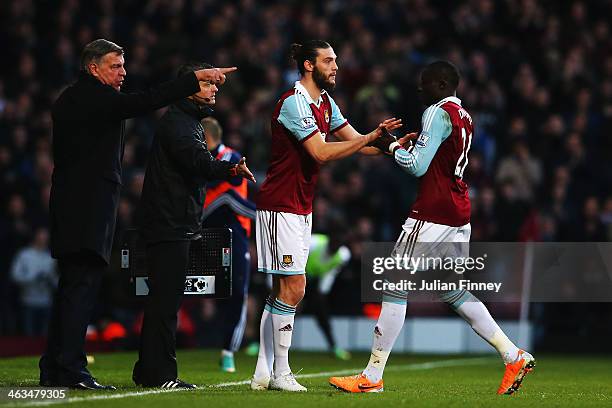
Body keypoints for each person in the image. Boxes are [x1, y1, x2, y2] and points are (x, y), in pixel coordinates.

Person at [329, 61, 536, 395]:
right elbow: (437, 161)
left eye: (424, 83)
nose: (419, 89)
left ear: (440, 84)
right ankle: (512, 355)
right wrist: (403, 147)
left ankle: (372, 376)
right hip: (458, 212)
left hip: (433, 212)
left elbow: (416, 166)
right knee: (451, 289)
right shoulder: (464, 115)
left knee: (395, 282)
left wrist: (391, 145)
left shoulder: (436, 113)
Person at [42, 38, 237, 390]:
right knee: (82, 286)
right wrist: (193, 80)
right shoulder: (94, 98)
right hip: (88, 207)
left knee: (71, 286)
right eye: (115, 66)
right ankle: (70, 369)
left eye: (123, 65)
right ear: (93, 67)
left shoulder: (71, 98)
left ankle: (54, 366)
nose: (123, 73)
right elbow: (145, 102)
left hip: (71, 203)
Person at [251, 40, 401, 392]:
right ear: (308, 65)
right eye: (328, 61)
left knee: (282, 291)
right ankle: (280, 373)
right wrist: (369, 137)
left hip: (301, 208)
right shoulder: (293, 103)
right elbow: (319, 151)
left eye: (336, 60)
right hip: (280, 206)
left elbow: (358, 144)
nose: (336, 66)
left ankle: (264, 369)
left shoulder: (325, 102)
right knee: (295, 287)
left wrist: (394, 147)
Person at [132, 62, 255, 389]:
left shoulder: (184, 121)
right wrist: (229, 170)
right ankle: (161, 375)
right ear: (190, 85)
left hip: (171, 221)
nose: (215, 89)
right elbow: (197, 162)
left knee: (162, 301)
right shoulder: (181, 124)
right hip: (170, 223)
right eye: (208, 84)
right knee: (166, 303)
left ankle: (148, 371)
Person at [200, 117, 256, 373]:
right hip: (203, 232)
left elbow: (229, 189)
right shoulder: (197, 158)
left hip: (234, 234)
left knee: (237, 292)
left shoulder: (233, 157)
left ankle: (228, 351)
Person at [305, 229, 352, 360]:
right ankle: (260, 342)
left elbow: (330, 273)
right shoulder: (313, 242)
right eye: (334, 244)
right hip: (297, 276)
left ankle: (334, 347)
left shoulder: (342, 255)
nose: (335, 248)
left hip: (315, 282)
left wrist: (322, 291)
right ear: (329, 241)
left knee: (322, 311)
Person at [10, 227, 57, 336]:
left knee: (45, 337)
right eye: (41, 237)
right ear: (35, 237)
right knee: (28, 337)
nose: (43, 240)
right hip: (28, 301)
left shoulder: (50, 257)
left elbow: (56, 281)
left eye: (45, 237)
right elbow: (15, 275)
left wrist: (50, 279)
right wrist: (33, 278)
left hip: (46, 302)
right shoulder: (24, 254)